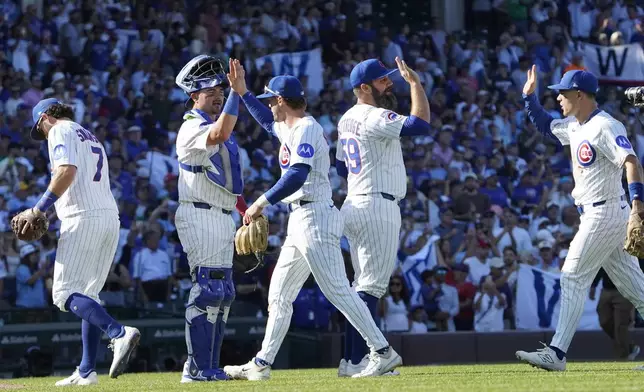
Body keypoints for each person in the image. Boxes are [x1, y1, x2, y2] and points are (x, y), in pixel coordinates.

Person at [223, 64, 401, 380]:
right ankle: (261, 364)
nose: (267, 105)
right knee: (279, 293)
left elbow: (297, 174)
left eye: (270, 99)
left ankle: (382, 351)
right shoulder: (289, 126)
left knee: (338, 291)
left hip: (315, 217)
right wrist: (243, 93)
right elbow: (267, 123)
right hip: (300, 221)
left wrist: (260, 203)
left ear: (281, 100)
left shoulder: (306, 128)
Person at [515, 67, 644, 371]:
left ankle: (557, 353)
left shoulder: (606, 126)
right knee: (637, 289)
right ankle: (557, 353)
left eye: (563, 92)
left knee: (572, 275)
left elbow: (631, 161)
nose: (558, 97)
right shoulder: (575, 125)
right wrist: (528, 96)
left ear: (580, 95)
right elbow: (546, 126)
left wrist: (638, 204)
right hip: (600, 212)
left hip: (606, 211)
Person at [24, 98, 140, 386]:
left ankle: (118, 333)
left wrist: (39, 208)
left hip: (83, 218)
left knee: (64, 294)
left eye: (40, 127)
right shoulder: (90, 135)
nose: (42, 134)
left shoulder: (59, 131)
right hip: (108, 217)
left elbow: (66, 171)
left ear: (47, 117)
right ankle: (87, 370)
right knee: (89, 294)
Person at [334, 57, 431, 376]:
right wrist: (416, 84)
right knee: (370, 289)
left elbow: (340, 168)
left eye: (388, 79)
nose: (389, 83)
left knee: (357, 287)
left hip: (354, 202)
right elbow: (420, 125)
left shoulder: (345, 118)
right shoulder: (373, 115)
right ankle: (368, 356)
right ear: (363, 88)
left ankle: (351, 360)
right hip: (377, 205)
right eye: (382, 80)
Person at [173, 56, 249, 382]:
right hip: (198, 212)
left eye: (220, 88)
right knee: (207, 288)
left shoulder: (218, 125)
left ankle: (208, 367)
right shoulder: (192, 126)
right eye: (209, 90)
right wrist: (236, 92)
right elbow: (218, 135)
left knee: (224, 293)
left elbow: (228, 179)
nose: (217, 94)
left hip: (221, 214)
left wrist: (246, 211)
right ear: (194, 96)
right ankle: (197, 368)